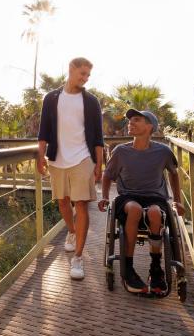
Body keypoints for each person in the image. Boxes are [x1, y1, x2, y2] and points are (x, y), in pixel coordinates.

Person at [98, 109, 184, 294]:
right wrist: (104, 196)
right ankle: (128, 268)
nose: (131, 122)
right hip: (128, 197)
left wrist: (178, 201)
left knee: (155, 213)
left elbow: (174, 173)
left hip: (155, 197)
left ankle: (156, 268)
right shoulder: (121, 151)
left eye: (137, 120)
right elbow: (108, 175)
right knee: (135, 209)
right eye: (130, 120)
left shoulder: (163, 151)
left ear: (150, 127)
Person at [37, 57, 104, 280]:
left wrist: (99, 163)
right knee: (63, 202)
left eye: (88, 75)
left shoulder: (91, 101)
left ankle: (78, 258)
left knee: (81, 204)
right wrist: (40, 155)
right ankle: (72, 232)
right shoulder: (51, 98)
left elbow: (98, 137)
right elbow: (44, 131)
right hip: (57, 158)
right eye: (82, 73)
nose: (85, 79)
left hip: (83, 158)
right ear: (71, 69)